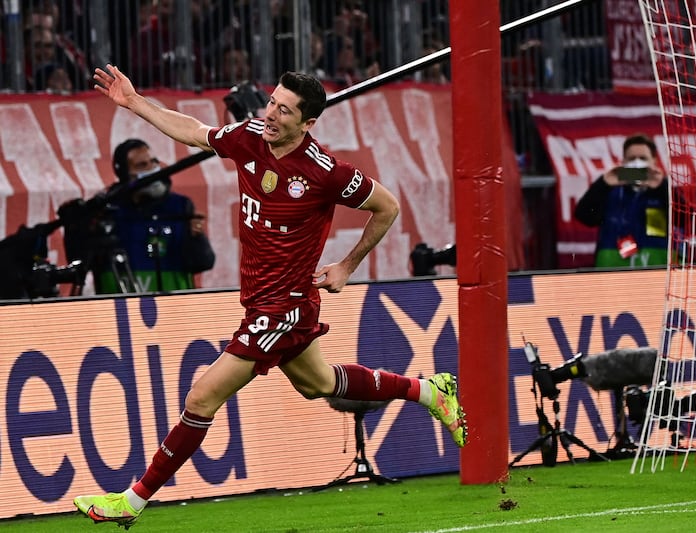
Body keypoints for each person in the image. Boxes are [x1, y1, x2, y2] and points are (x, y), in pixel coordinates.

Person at [73, 65, 467, 528]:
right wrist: (135, 102)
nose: (272, 114)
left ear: (308, 123)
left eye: (285, 109)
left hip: (286, 305)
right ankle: (429, 391)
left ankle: (132, 501)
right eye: (272, 102)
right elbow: (196, 132)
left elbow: (388, 206)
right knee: (317, 384)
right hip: (261, 300)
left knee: (202, 398)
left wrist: (347, 265)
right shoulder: (251, 137)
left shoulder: (325, 172)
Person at [59, 139, 216, 295]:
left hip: (175, 311)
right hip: (119, 314)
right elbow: (79, 263)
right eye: (142, 165)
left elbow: (203, 262)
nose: (152, 169)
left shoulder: (180, 205)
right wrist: (74, 228)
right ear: (124, 174)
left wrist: (197, 238)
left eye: (154, 162)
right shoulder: (105, 211)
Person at [574, 133, 679, 268]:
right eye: (632, 158)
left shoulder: (663, 191)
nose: (637, 162)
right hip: (613, 275)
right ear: (623, 161)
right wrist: (603, 183)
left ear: (654, 161)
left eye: (642, 158)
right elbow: (583, 216)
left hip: (657, 273)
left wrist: (662, 186)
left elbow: (685, 220)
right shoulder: (610, 191)